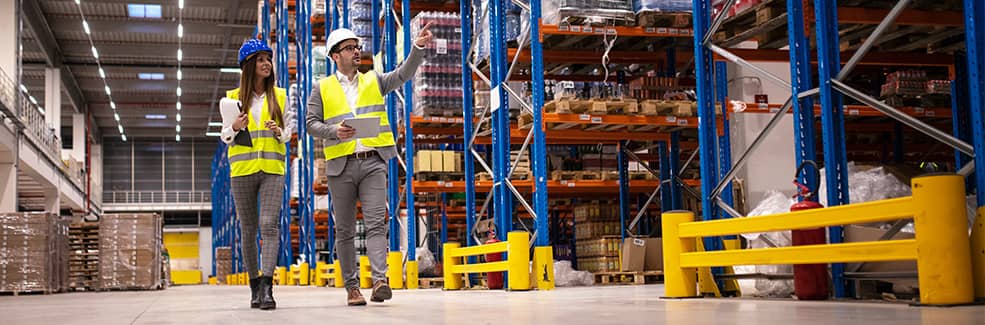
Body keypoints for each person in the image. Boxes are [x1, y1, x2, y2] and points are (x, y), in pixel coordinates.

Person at [306, 24, 433, 306]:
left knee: (377, 224)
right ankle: (352, 287)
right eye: (350, 48)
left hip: (373, 161)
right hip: (341, 166)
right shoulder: (322, 88)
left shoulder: (373, 80)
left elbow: (403, 74)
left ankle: (379, 281)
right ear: (335, 56)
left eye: (357, 47)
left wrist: (418, 48)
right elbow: (310, 124)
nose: (356, 52)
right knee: (346, 230)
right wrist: (333, 131)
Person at [220, 38, 293, 310]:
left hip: (273, 169)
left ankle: (267, 286)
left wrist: (278, 132)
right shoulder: (231, 99)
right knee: (248, 230)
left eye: (268, 59)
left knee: (268, 225)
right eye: (260, 59)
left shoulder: (281, 96)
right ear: (249, 65)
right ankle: (253, 287)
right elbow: (225, 137)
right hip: (242, 171)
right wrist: (236, 126)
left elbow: (288, 136)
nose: (266, 64)